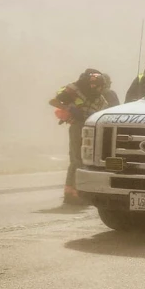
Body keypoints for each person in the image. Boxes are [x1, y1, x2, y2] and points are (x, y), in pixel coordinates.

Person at [49, 70, 109, 204]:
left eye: (97, 86)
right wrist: (71, 110)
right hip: (78, 128)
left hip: (89, 129)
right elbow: (53, 101)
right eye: (94, 85)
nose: (95, 88)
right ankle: (74, 193)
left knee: (78, 160)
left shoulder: (101, 101)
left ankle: (72, 192)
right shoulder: (78, 92)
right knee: (78, 160)